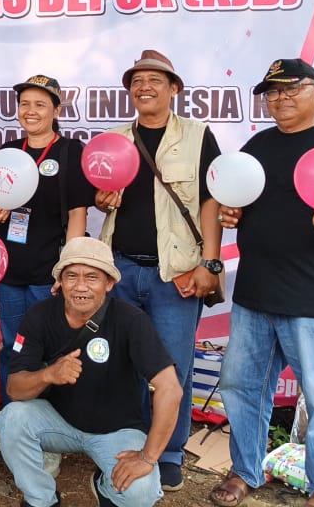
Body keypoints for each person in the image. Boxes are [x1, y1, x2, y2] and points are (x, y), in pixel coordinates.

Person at [210, 59, 314, 507]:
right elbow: (241, 199)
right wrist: (233, 213)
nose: (280, 98)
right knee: (240, 386)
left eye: (291, 89)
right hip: (255, 292)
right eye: (272, 92)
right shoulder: (258, 146)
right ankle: (245, 470)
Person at [92, 49, 223, 491]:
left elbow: (211, 200)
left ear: (173, 89)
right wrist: (101, 199)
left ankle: (168, 452)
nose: (144, 87)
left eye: (154, 80)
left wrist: (209, 262)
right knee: (123, 364)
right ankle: (128, 442)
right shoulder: (114, 139)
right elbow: (101, 196)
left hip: (176, 274)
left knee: (173, 368)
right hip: (122, 270)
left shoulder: (198, 136)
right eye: (137, 81)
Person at [0, 237, 181, 507]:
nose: (80, 286)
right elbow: (14, 388)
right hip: (58, 421)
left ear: (109, 283)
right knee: (11, 418)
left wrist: (147, 458)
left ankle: (105, 485)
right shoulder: (39, 316)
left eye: (92, 277)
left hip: (117, 430)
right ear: (60, 281)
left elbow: (170, 389)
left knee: (141, 493)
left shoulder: (131, 321)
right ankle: (41, 499)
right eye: (71, 276)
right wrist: (48, 374)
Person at [0, 75, 94, 399]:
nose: (30, 111)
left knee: (50, 347)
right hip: (9, 271)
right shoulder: (8, 151)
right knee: (12, 345)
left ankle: (47, 419)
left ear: (56, 110)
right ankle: (12, 412)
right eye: (24, 104)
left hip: (49, 272)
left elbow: (78, 215)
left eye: (40, 105)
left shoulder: (69, 152)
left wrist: (67, 270)